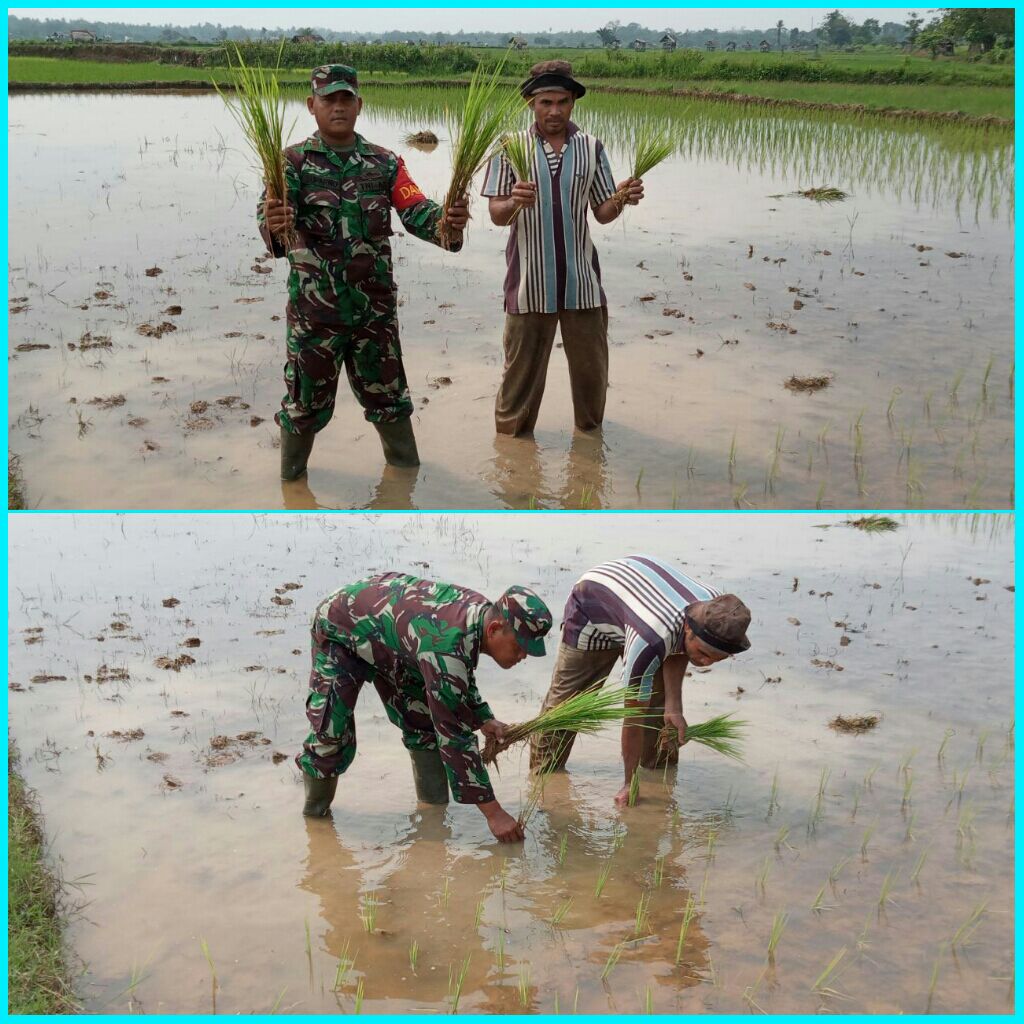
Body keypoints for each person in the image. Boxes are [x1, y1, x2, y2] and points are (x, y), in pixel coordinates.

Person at [259, 65, 469, 481]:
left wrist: (450, 223)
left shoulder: (385, 163)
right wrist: (275, 224)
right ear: (311, 105)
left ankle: (406, 486)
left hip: (374, 317)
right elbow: (274, 231)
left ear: (359, 104)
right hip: (314, 320)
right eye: (328, 99)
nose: (338, 107)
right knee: (303, 409)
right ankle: (291, 490)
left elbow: (417, 212)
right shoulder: (290, 164)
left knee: (391, 402)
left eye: (345, 99)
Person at [296, 572, 552, 843]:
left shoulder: (479, 615)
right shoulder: (446, 647)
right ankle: (315, 826)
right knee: (331, 734)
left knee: (422, 724)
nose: (523, 656)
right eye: (520, 647)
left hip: (399, 642)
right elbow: (455, 738)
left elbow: (458, 674)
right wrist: (494, 814)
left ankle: (431, 822)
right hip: (341, 627)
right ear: (494, 629)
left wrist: (483, 718)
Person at [481, 60, 645, 438]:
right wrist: (513, 203)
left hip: (581, 285)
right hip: (529, 286)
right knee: (517, 390)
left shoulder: (591, 148)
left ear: (573, 103)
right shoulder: (510, 147)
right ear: (530, 104)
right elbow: (496, 214)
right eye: (545, 102)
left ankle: (588, 454)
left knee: (592, 384)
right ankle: (513, 462)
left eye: (562, 102)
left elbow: (602, 213)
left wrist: (623, 197)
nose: (554, 111)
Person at [528, 555, 751, 806]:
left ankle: (658, 780)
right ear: (688, 628)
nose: (705, 663)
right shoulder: (651, 639)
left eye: (716, 659)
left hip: (645, 612)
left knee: (658, 713)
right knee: (566, 706)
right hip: (592, 609)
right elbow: (632, 718)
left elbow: (679, 648)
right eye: (702, 654)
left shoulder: (718, 610)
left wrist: (673, 706)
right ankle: (542, 782)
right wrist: (628, 783)